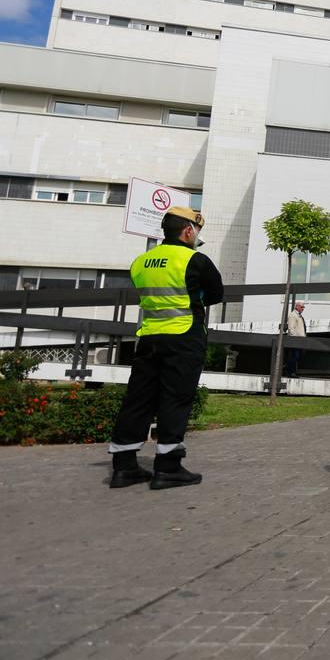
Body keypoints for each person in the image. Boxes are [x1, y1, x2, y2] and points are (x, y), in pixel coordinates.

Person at [107, 205, 223, 490]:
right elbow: (216, 294)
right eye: (196, 231)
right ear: (188, 230)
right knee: (175, 398)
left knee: (139, 399)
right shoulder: (195, 260)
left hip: (148, 337)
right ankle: (168, 467)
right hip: (183, 337)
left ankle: (124, 467)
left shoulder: (141, 262)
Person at [283, 300, 306, 378]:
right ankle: (289, 371)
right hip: (295, 340)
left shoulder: (299, 316)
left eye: (303, 307)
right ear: (297, 306)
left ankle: (290, 370)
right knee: (294, 356)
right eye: (302, 307)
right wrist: (295, 339)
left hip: (299, 341)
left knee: (297, 356)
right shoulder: (293, 315)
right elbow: (291, 328)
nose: (303, 308)